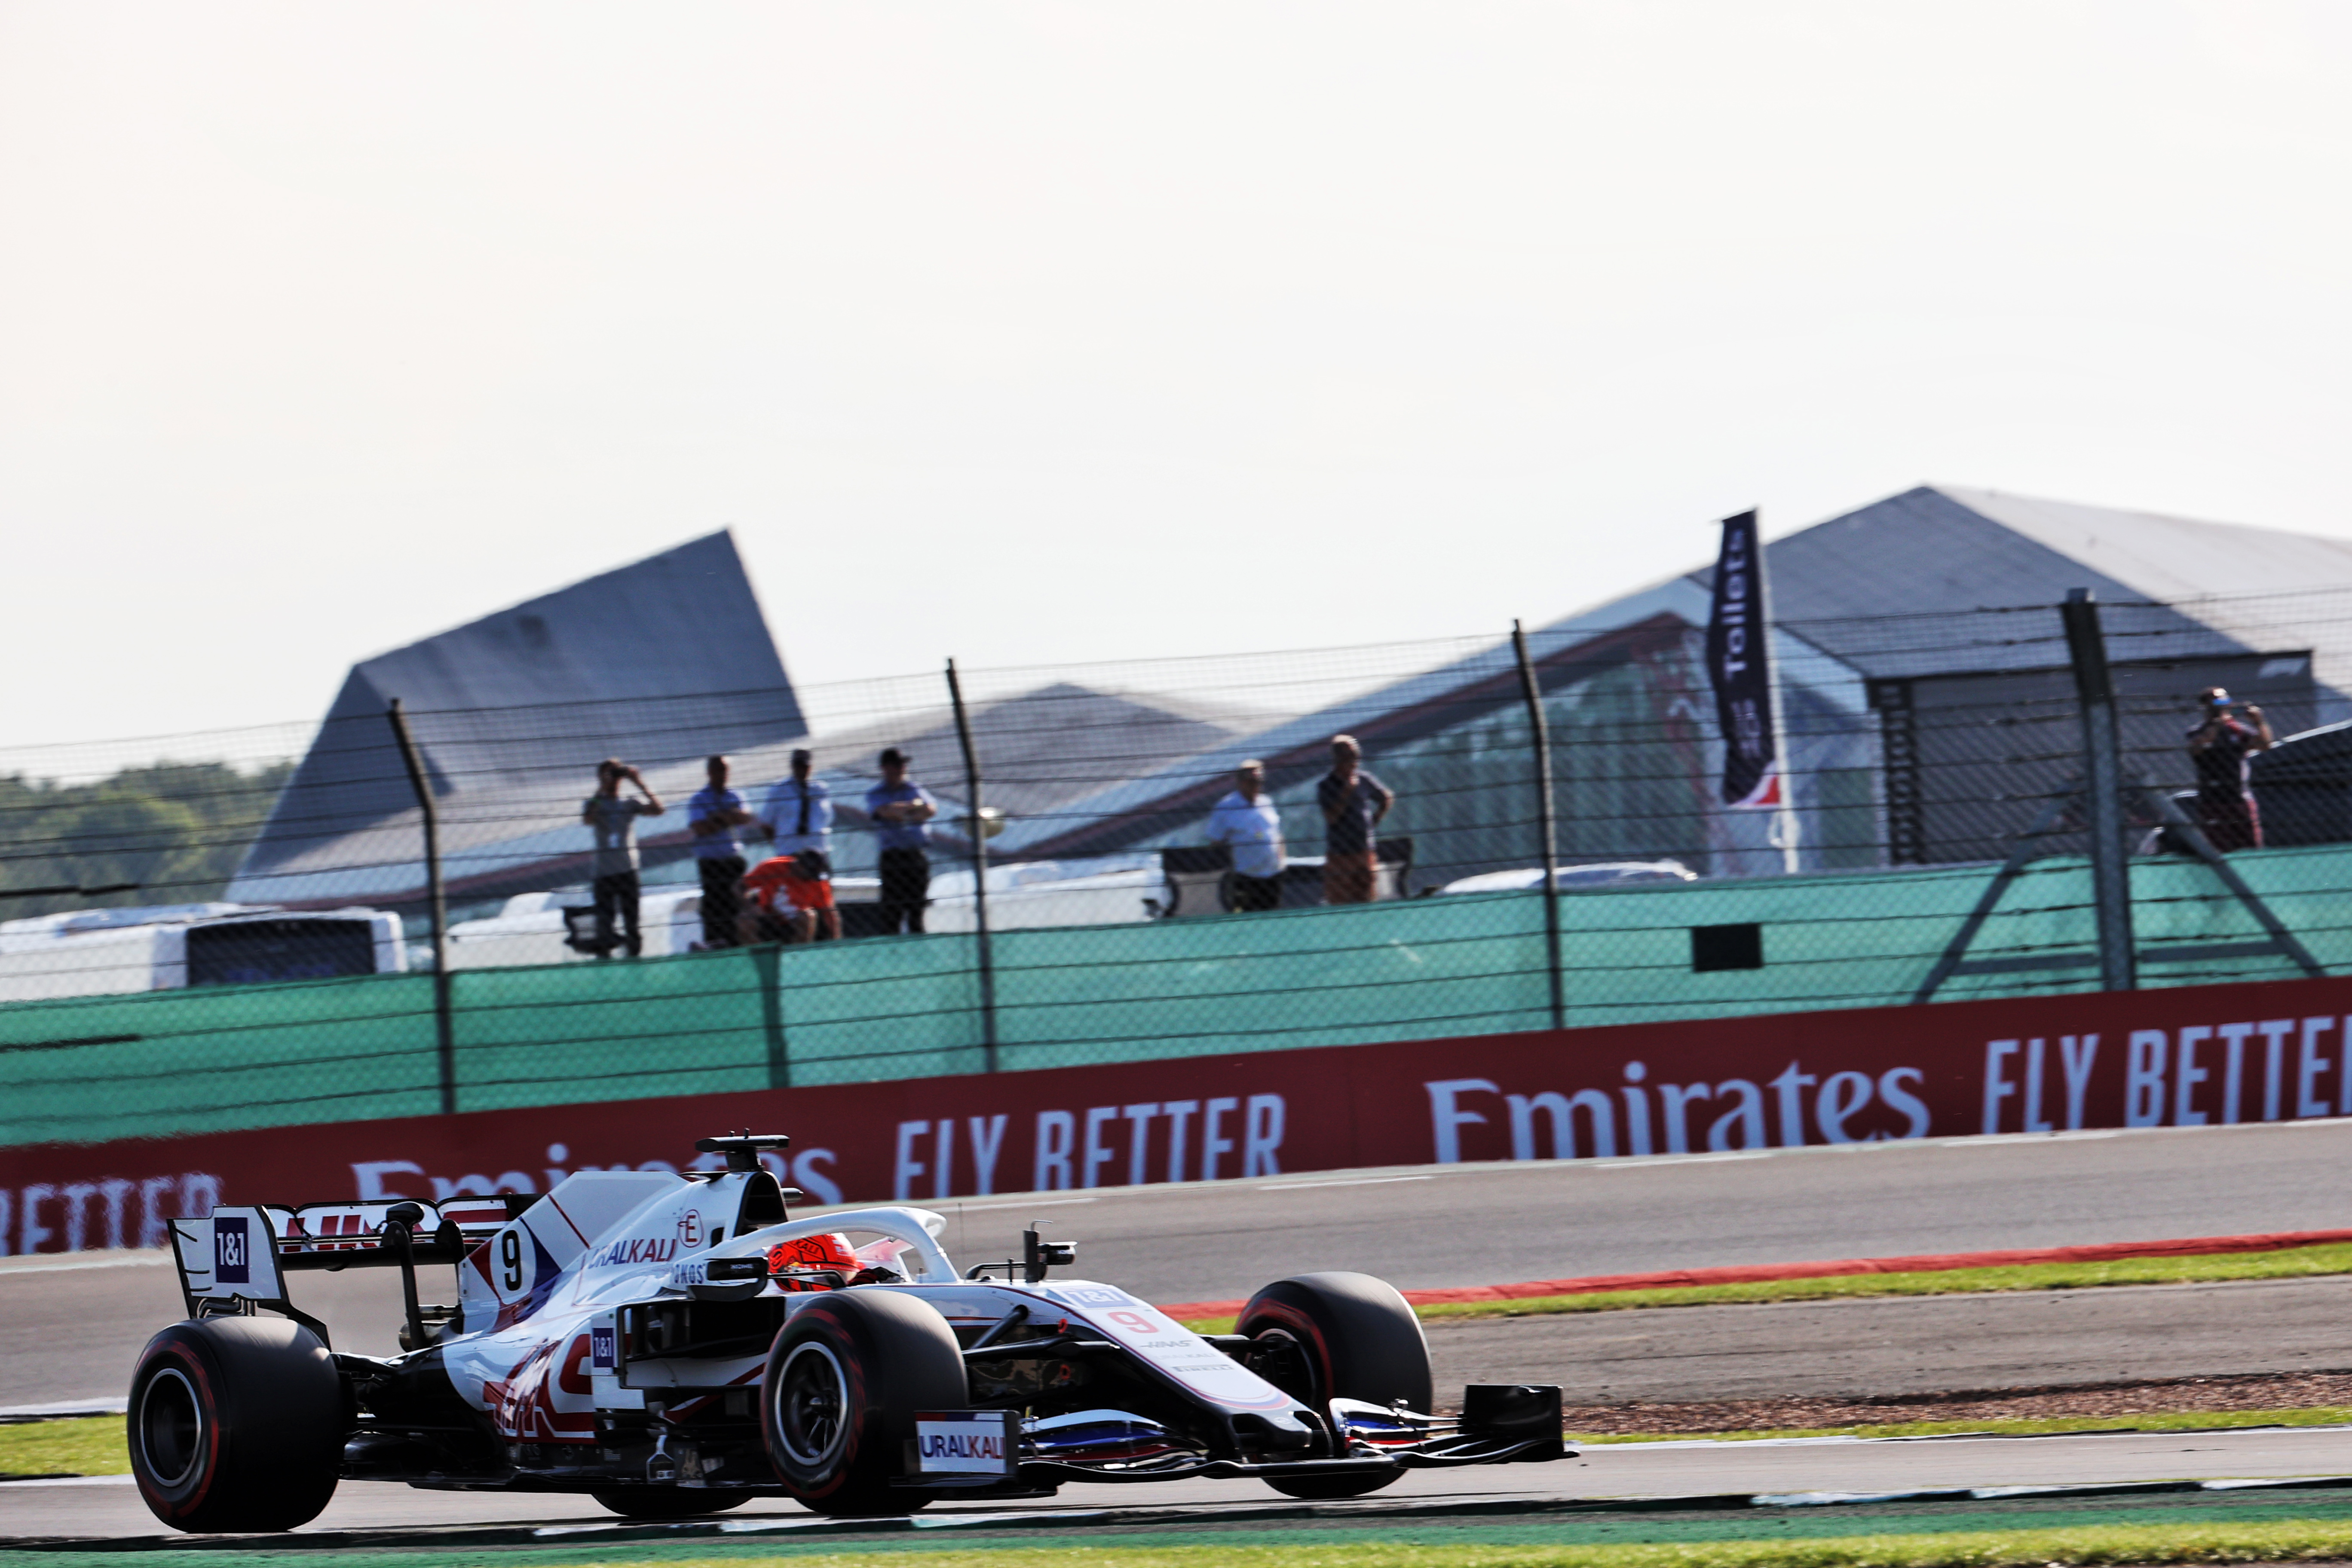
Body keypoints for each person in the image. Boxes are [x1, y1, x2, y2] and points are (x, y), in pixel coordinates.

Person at [582, 759, 664, 958]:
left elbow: (659, 810)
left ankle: (634, 958)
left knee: (632, 924)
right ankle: (605, 961)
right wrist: (601, 789)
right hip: (604, 873)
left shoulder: (629, 802)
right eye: (609, 775)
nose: (614, 780)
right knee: (605, 925)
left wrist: (639, 782)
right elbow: (587, 819)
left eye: (616, 774)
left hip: (628, 871)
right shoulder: (596, 802)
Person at [757, 748, 839, 941]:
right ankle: (796, 941)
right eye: (798, 765)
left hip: (817, 857)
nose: (802, 769)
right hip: (791, 856)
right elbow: (766, 823)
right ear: (792, 766)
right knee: (793, 906)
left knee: (823, 903)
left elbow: (826, 820)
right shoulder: (779, 790)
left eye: (805, 765)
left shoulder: (821, 790)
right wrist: (781, 846)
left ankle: (826, 940)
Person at [2188, 686, 2274, 851]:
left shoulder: (2238, 730)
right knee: (2218, 847)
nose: (2224, 705)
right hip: (2212, 802)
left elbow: (2264, 745)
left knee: (2251, 846)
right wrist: (2218, 724)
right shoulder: (2198, 731)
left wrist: (2258, 722)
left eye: (2226, 701)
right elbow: (2198, 747)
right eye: (2218, 701)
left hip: (2240, 798)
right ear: (2207, 705)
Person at [865, 747, 938, 934]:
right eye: (897, 765)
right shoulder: (876, 793)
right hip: (893, 859)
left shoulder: (914, 789)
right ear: (885, 768)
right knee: (892, 914)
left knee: (917, 912)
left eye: (903, 765)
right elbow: (886, 812)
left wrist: (902, 810)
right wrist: (913, 809)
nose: (902, 768)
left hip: (915, 857)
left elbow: (930, 810)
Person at [685, 755, 754, 949]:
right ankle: (713, 945)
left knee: (736, 906)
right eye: (717, 770)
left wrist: (716, 818)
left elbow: (746, 818)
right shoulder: (699, 799)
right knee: (714, 908)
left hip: (732, 861)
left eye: (724, 770)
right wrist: (728, 818)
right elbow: (700, 828)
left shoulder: (735, 796)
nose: (722, 775)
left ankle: (736, 944)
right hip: (711, 863)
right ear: (709, 772)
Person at [1316, 734, 1392, 905]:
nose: (1354, 761)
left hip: (1364, 851)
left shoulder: (1364, 779)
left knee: (1366, 897)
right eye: (1349, 757)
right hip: (1340, 855)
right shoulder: (1327, 785)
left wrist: (1374, 821)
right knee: (1340, 900)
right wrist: (1346, 792)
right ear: (1338, 759)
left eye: (1356, 756)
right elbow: (1331, 818)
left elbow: (1386, 798)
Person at [1205, 759, 1287, 911]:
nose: (1257, 785)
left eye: (1259, 781)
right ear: (1241, 782)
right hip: (1246, 877)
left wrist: (1282, 862)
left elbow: (1277, 834)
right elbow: (1216, 842)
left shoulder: (1266, 802)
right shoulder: (1226, 807)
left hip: (1273, 875)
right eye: (1252, 781)